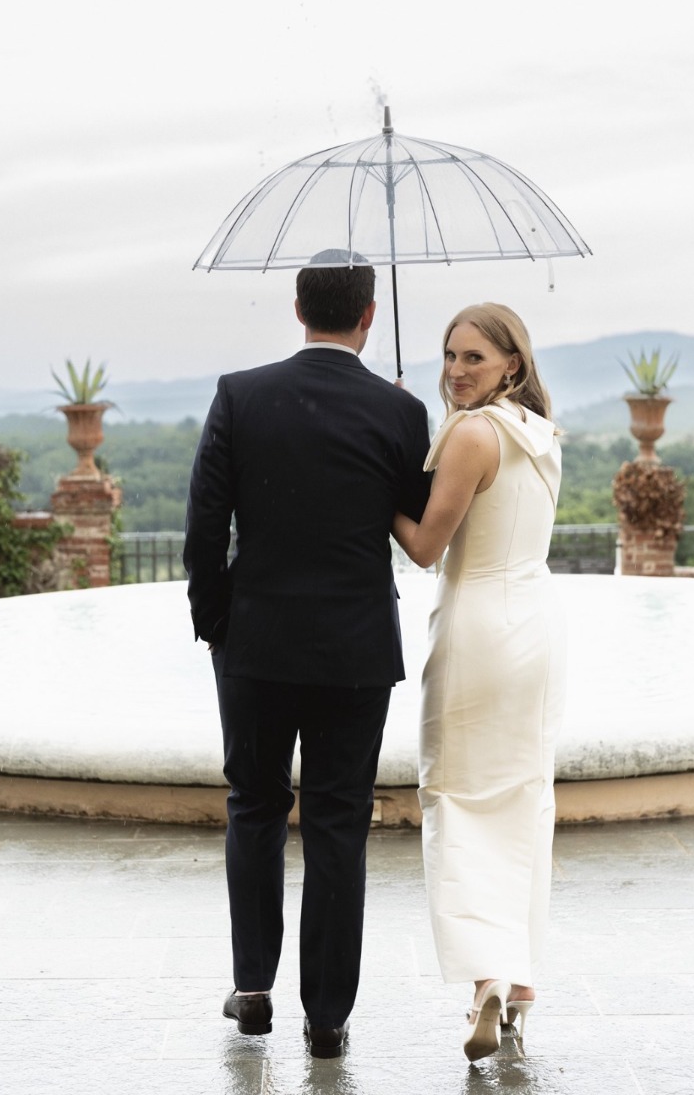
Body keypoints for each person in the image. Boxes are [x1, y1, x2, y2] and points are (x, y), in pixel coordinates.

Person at [183, 249, 431, 1059]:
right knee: (336, 826)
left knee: (253, 806)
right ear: (368, 317)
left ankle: (252, 986)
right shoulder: (399, 411)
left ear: (298, 308)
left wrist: (219, 625)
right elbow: (416, 522)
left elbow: (203, 528)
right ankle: (327, 1018)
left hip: (255, 646)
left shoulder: (239, 395)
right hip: (357, 649)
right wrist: (398, 424)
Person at [392, 302, 566, 1063]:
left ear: (512, 367)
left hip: (477, 632)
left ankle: (488, 974)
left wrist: (377, 491)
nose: (456, 371)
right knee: (524, 794)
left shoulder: (470, 433)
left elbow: (427, 547)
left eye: (474, 359)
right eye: (450, 355)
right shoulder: (543, 435)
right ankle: (521, 980)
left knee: (457, 796)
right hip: (536, 627)